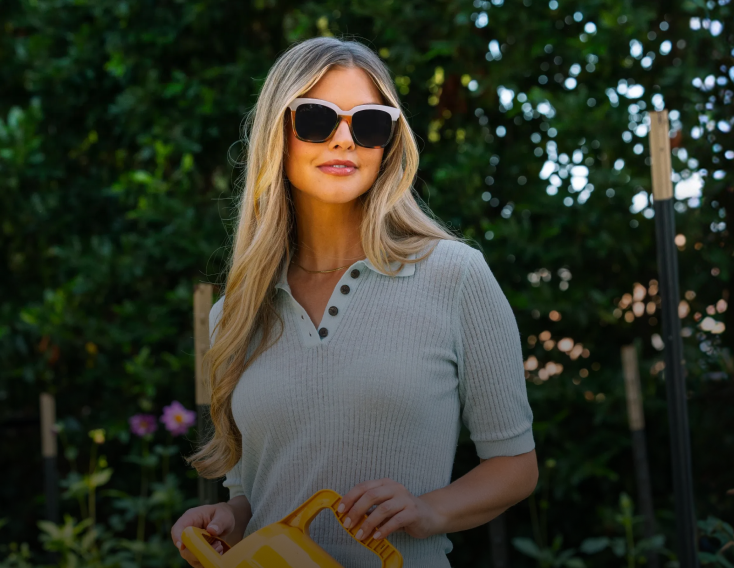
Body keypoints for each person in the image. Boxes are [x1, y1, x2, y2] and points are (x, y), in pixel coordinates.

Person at [170, 35, 538, 568]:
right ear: (280, 134)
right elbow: (253, 491)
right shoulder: (236, 311)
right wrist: (230, 520)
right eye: (318, 119)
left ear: (388, 142)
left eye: (368, 123)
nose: (344, 140)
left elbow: (515, 466)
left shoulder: (455, 276)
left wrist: (426, 510)